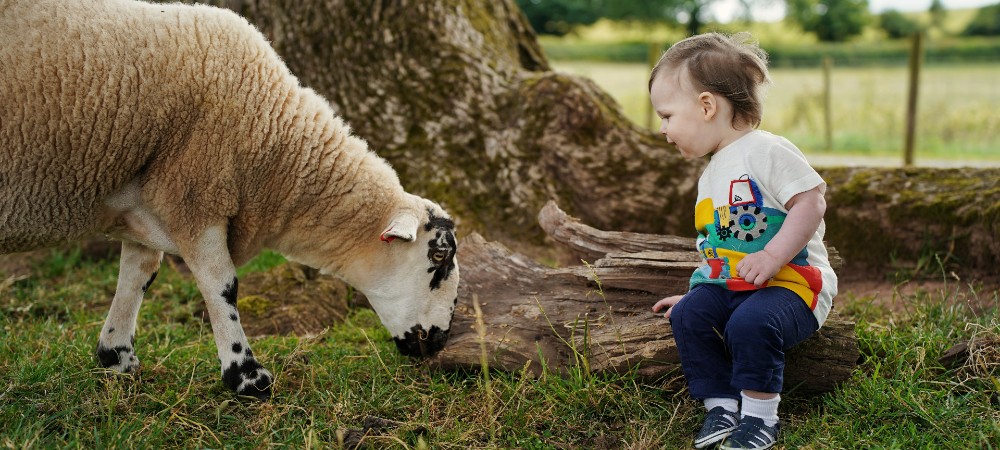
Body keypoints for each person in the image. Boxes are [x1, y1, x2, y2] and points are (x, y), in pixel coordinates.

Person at [648, 32, 837, 450]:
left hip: (792, 285)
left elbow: (811, 201)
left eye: (665, 116)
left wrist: (772, 255)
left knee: (750, 324)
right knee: (689, 317)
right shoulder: (712, 172)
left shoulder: (767, 150)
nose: (662, 130)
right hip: (735, 285)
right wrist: (700, 291)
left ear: (706, 105)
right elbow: (721, 245)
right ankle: (721, 405)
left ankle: (759, 418)